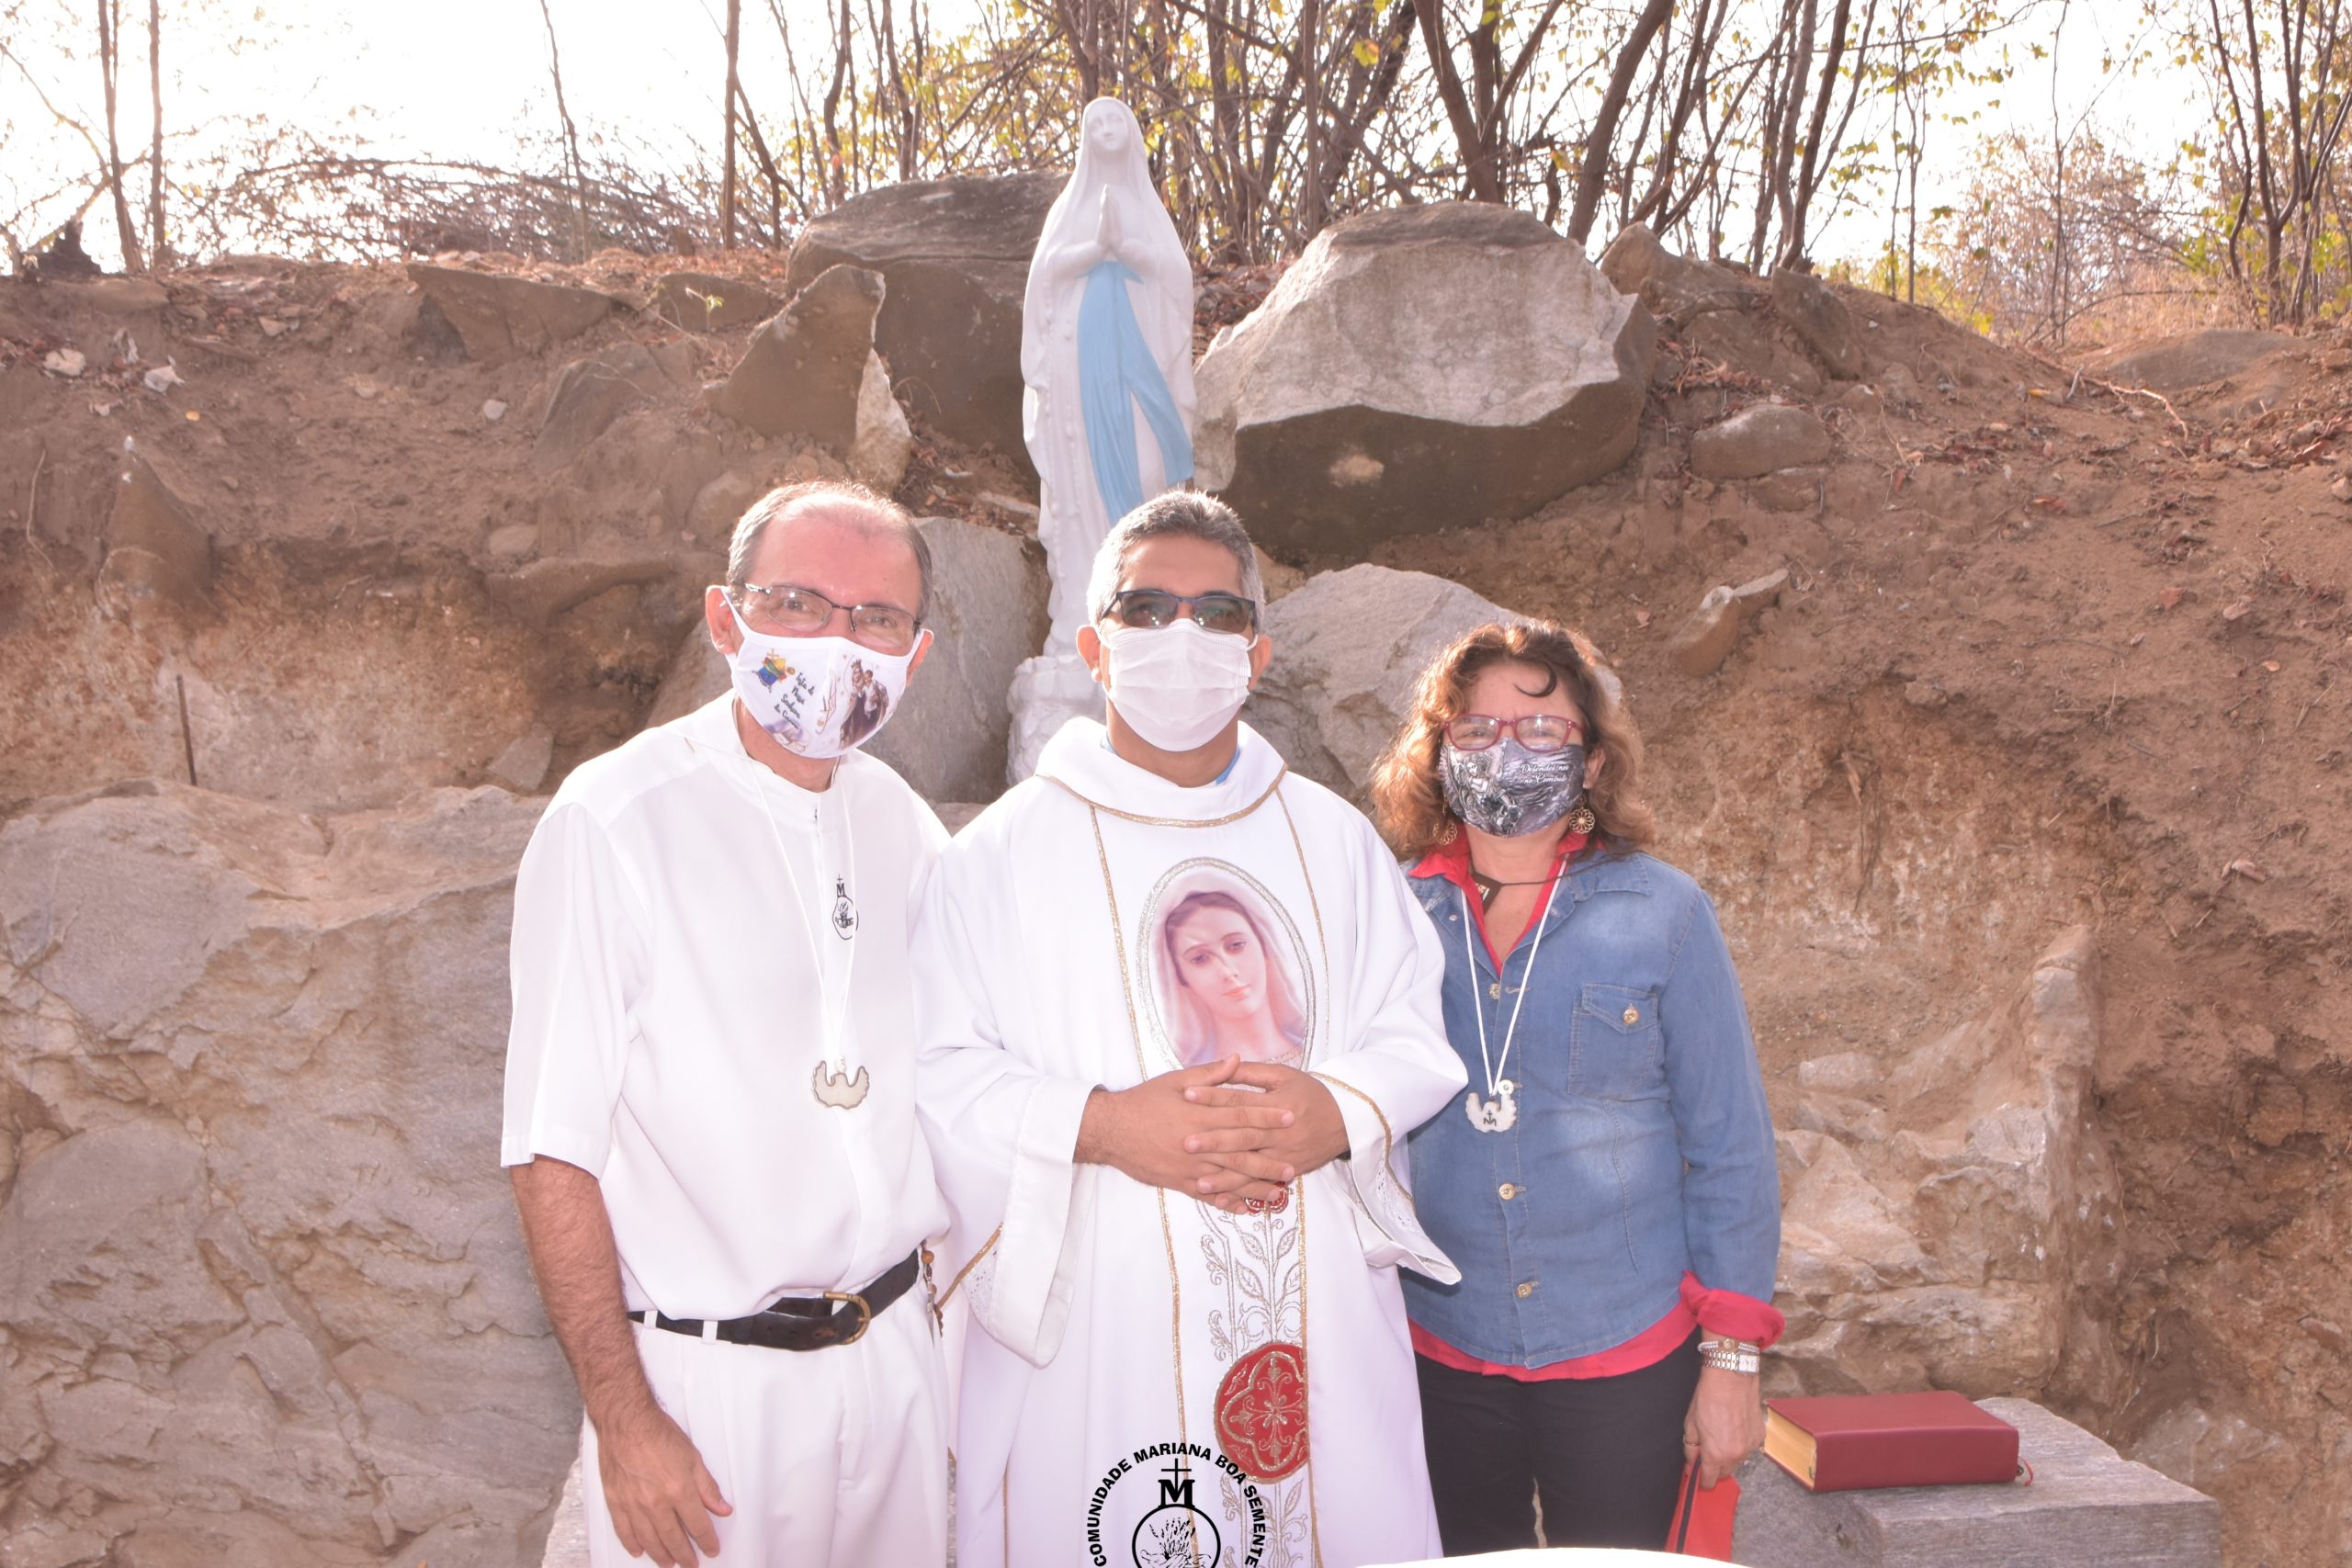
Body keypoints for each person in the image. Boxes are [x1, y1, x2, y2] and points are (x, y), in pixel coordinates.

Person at [914, 491, 1466, 1568]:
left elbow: (1412, 1031)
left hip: (1316, 1321)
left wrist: (1337, 1110)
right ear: (1092, 646)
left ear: (1256, 655)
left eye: (1218, 614)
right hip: (1101, 1329)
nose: (1183, 635)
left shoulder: (1331, 839)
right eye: (1146, 608)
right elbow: (935, 1069)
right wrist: (1102, 1127)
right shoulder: (998, 856)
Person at [502, 480, 951, 1568]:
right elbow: (551, 1149)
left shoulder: (903, 825)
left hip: (896, 1370)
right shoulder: (615, 819)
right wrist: (625, 1420)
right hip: (708, 1398)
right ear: (725, 617)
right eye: (796, 603)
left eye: (874, 619)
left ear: (916, 654)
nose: (835, 642)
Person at [1366, 621, 1783, 1555]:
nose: (1506, 751)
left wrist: (1732, 1364)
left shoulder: (1665, 913)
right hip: (1437, 1351)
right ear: (1439, 752)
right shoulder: (1388, 915)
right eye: (1476, 730)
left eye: (1542, 729)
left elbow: (1730, 1149)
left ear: (1591, 762)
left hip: (1623, 1354)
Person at [1155, 884, 1310, 1066]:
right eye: (1200, 959)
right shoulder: (1188, 1077)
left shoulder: (1322, 1054)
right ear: (1181, 977)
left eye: (1236, 945)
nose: (1227, 972)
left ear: (1265, 949)